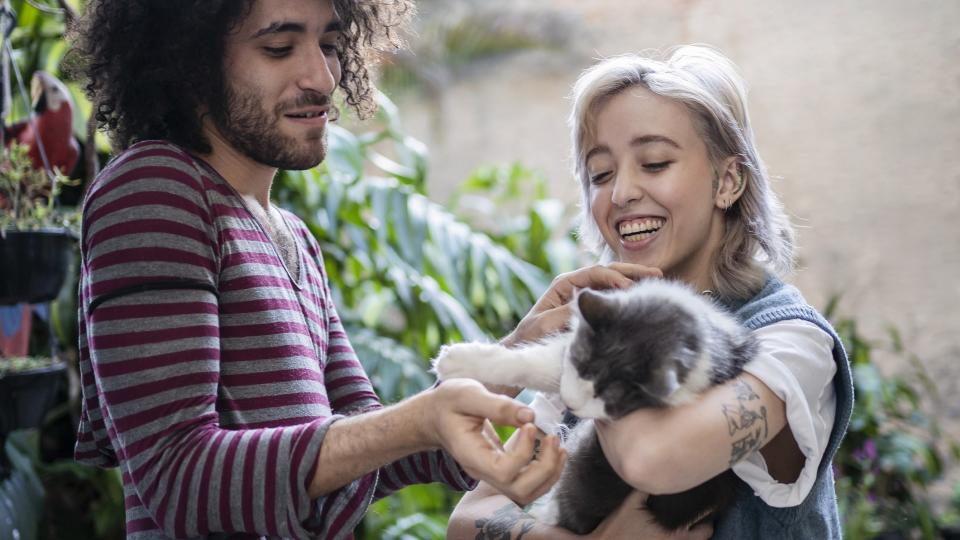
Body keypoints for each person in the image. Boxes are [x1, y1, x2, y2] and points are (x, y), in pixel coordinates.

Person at [68, 1, 570, 538]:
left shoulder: (294, 238)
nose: (321, 76)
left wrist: (520, 353)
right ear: (187, 61)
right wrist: (419, 420)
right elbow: (178, 479)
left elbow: (370, 451)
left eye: (329, 44)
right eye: (278, 48)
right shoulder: (155, 190)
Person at [448, 45, 853, 539]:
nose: (620, 194)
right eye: (600, 173)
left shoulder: (791, 343)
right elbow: (469, 518)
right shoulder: (600, 328)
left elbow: (652, 459)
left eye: (655, 162)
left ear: (727, 181)